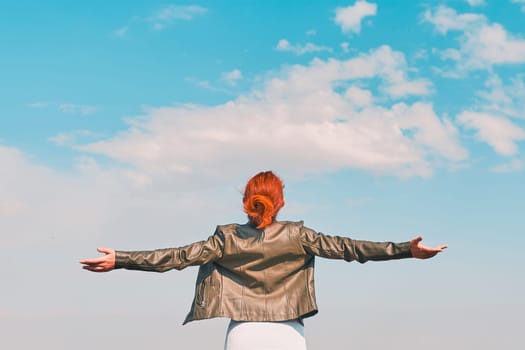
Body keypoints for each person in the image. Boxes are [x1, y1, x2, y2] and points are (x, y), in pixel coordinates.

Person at [80, 170, 447, 350]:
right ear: (281, 201)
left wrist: (123, 259)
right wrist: (405, 250)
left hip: (243, 334)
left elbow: (176, 257)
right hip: (289, 334)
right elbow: (351, 249)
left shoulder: (226, 238)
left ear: (247, 200)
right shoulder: (300, 236)